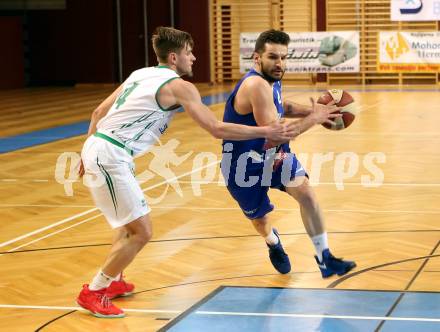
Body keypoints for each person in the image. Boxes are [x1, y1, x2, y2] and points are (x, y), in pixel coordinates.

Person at [76, 27, 300, 318]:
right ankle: (94, 291)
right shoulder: (180, 87)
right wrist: (265, 130)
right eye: (189, 53)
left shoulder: (139, 74)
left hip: (101, 149)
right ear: (173, 57)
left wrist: (87, 149)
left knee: (126, 225)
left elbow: (97, 113)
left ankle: (115, 280)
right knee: (142, 232)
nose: (193, 58)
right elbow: (216, 129)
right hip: (110, 156)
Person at [221, 29, 356, 278]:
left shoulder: (273, 78)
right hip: (242, 165)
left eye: (284, 57)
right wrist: (316, 118)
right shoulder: (255, 85)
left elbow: (284, 107)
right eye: (273, 57)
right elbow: (277, 134)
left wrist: (314, 111)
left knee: (306, 193)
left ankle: (324, 257)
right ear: (257, 58)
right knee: (261, 222)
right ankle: (272, 241)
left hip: (273, 156)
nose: (279, 63)